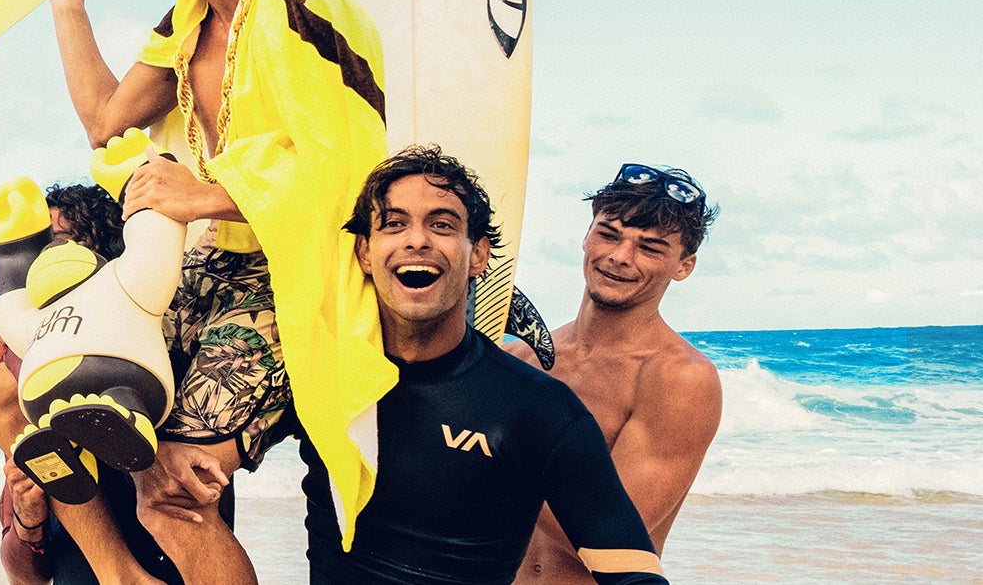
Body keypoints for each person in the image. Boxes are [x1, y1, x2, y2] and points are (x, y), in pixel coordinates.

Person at [49, 0, 392, 585]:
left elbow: (351, 169)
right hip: (213, 261)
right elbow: (105, 121)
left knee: (175, 491)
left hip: (295, 269)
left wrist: (204, 194)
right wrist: (69, 5)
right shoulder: (187, 19)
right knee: (63, 390)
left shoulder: (307, 3)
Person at [301, 145, 673, 585]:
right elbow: (222, 466)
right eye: (394, 223)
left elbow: (634, 572)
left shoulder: (539, 409)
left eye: (442, 225)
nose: (416, 240)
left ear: (479, 254)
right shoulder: (313, 373)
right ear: (364, 252)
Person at [511, 165, 722, 583]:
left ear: (684, 266)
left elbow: (611, 539)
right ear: (586, 236)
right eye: (609, 234)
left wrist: (490, 444)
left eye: (650, 248)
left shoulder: (679, 378)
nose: (621, 257)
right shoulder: (520, 356)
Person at [0, 182, 194, 585]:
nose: (45, 260)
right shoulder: (29, 392)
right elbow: (26, 576)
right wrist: (28, 520)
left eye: (60, 241)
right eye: (36, 249)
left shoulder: (166, 356)